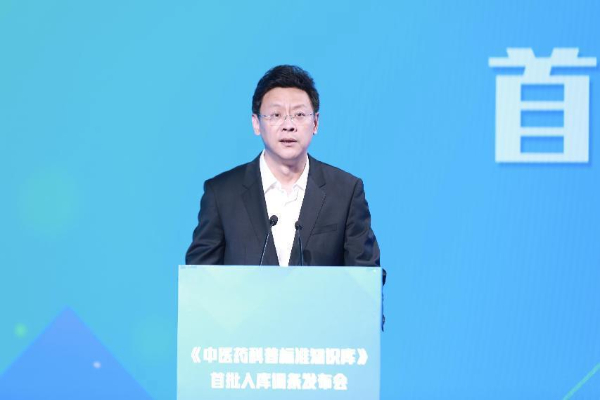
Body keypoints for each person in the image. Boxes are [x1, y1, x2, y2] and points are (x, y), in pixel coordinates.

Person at [185, 65, 381, 271]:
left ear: (315, 123)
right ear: (256, 123)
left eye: (299, 114)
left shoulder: (345, 192)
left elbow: (366, 275)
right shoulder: (221, 193)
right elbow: (200, 277)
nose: (288, 125)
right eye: (276, 115)